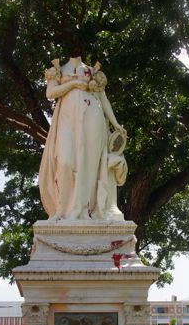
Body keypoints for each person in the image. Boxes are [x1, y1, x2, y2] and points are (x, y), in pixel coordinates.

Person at [39, 56, 127, 221]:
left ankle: (87, 209)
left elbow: (103, 99)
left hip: (93, 117)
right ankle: (65, 211)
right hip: (67, 119)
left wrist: (115, 124)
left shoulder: (92, 71)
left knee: (90, 163)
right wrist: (72, 84)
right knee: (64, 161)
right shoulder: (58, 69)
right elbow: (50, 93)